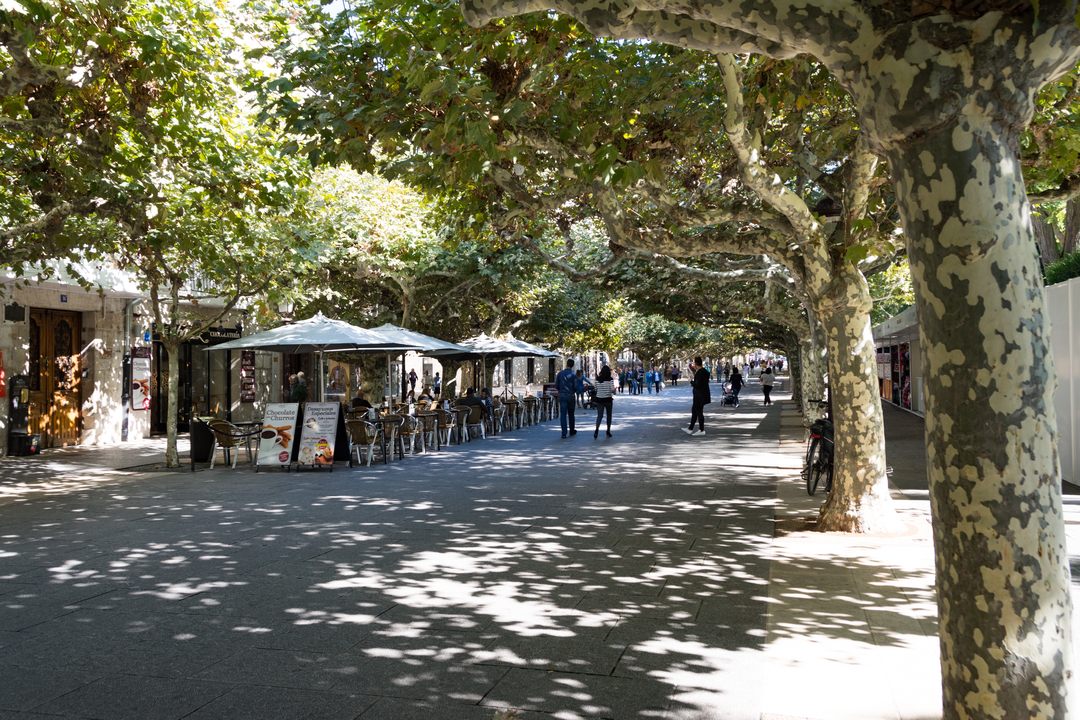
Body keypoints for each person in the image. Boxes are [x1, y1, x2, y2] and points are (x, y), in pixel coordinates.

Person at [684, 357, 711, 436]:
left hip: (699, 395)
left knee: (699, 412)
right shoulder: (705, 371)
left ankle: (701, 429)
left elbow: (698, 385)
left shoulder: (699, 373)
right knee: (694, 411)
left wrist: (692, 382)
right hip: (703, 394)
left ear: (695, 364)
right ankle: (690, 428)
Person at [556, 359, 582, 438]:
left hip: (563, 394)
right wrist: (573, 391)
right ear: (572, 365)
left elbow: (556, 385)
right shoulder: (573, 374)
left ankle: (564, 432)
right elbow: (576, 386)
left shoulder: (560, 373)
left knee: (563, 414)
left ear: (566, 364)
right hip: (571, 395)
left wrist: (561, 389)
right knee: (571, 414)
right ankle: (572, 430)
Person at [593, 365, 615, 438]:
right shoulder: (610, 380)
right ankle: (608, 430)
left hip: (599, 399)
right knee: (609, 415)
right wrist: (613, 391)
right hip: (608, 399)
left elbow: (595, 389)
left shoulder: (597, 379)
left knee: (599, 415)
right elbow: (612, 389)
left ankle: (596, 429)